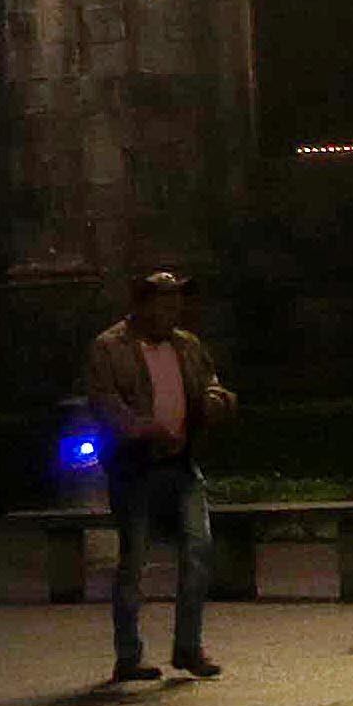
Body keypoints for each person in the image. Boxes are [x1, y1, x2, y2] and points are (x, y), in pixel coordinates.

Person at [80, 268, 233, 682]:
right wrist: (143, 428)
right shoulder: (110, 347)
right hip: (135, 468)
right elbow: (105, 401)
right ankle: (128, 654)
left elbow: (210, 383)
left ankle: (188, 646)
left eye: (176, 300)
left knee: (198, 550)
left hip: (182, 464)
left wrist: (217, 401)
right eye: (165, 300)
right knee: (134, 560)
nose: (173, 308)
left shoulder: (186, 345)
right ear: (142, 304)